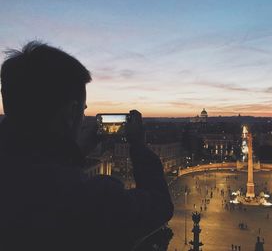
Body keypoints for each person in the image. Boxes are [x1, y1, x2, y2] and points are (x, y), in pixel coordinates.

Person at [0, 41, 173, 250]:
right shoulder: (90, 199)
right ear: (71, 112)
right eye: (83, 110)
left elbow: (40, 164)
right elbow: (160, 205)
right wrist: (139, 146)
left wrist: (79, 148)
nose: (83, 117)